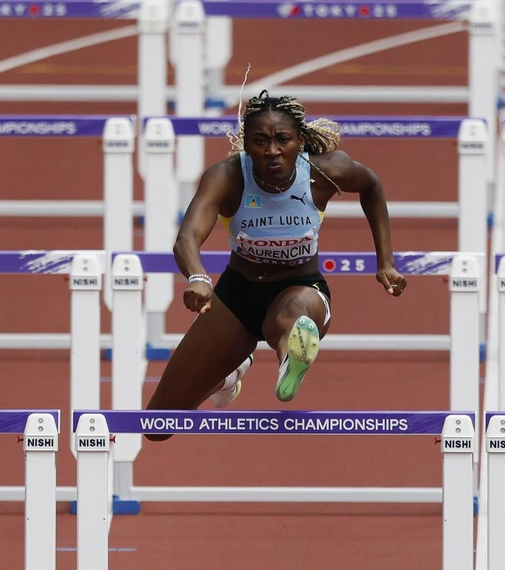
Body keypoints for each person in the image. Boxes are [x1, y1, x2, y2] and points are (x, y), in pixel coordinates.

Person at [145, 91, 406, 434]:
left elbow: (371, 184)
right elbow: (187, 237)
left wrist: (385, 261)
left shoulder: (324, 172)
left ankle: (290, 359)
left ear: (300, 142)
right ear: (246, 145)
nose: (272, 151)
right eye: (260, 141)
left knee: (292, 315)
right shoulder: (227, 177)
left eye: (283, 140)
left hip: (301, 287)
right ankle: (228, 375)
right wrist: (198, 278)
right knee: (158, 424)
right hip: (236, 297)